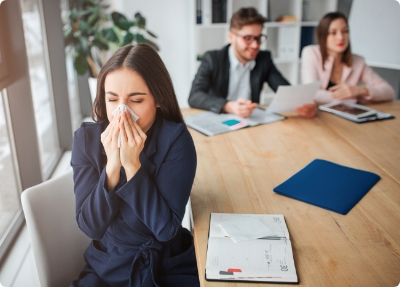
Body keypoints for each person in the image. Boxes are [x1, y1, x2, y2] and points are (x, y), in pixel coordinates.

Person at [70, 44, 199, 287]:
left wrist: (132, 166)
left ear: (159, 99)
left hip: (164, 265)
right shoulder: (85, 140)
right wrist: (112, 168)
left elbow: (165, 230)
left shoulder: (176, 140)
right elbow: (90, 226)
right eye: (112, 99)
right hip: (107, 265)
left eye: (136, 100)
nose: (122, 112)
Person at [188, 7, 317, 119]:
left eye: (258, 38)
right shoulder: (213, 59)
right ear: (232, 37)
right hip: (219, 119)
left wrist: (305, 103)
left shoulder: (264, 59)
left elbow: (285, 90)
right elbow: (194, 96)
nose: (255, 45)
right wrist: (229, 106)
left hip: (250, 121)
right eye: (247, 38)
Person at [301, 12, 395, 104]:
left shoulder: (358, 61)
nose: (340, 37)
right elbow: (311, 93)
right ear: (323, 36)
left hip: (346, 114)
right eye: (333, 33)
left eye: (345, 31)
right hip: (319, 115)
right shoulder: (311, 53)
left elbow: (389, 92)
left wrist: (361, 90)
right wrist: (353, 98)